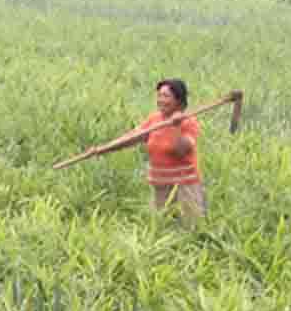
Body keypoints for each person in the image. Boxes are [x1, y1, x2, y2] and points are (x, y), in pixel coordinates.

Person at [69, 79, 206, 220]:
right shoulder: (154, 120)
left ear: (178, 100)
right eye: (159, 95)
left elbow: (182, 150)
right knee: (163, 226)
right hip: (160, 186)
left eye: (166, 96)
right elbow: (131, 138)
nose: (160, 100)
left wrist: (176, 127)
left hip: (184, 187)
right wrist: (102, 149)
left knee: (189, 228)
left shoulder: (189, 122)